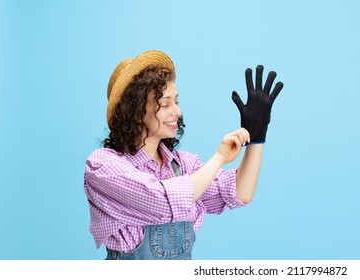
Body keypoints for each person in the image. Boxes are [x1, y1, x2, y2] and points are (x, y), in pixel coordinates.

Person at [83, 50, 283, 260]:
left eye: (176, 102)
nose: (177, 112)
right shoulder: (103, 166)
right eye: (166, 104)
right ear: (135, 110)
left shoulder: (184, 166)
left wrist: (256, 137)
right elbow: (160, 201)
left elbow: (239, 193)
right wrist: (219, 157)